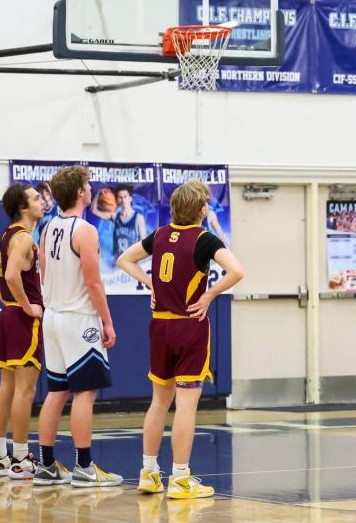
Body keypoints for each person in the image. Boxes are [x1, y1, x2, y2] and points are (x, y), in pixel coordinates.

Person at [117, 179, 244, 499]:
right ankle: (181, 478)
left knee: (159, 401)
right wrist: (212, 293)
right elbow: (237, 271)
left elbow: (124, 260)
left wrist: (150, 283)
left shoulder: (159, 235)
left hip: (160, 327)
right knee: (186, 405)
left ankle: (148, 473)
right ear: (202, 210)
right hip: (190, 326)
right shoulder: (204, 239)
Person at [34, 165, 122, 487]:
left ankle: (45, 465)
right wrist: (108, 321)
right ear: (80, 191)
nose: (91, 188)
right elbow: (94, 283)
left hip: (53, 316)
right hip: (78, 317)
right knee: (85, 392)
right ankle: (84, 467)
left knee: (56, 392)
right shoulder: (85, 230)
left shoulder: (47, 228)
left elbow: (43, 272)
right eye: (87, 184)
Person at [0, 184, 46, 479]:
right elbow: (10, 276)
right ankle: (21, 458)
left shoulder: (5, 235)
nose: (42, 201)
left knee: (6, 388)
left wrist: (10, 304)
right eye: (36, 198)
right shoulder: (23, 238)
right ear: (23, 207)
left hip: (8, 316)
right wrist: (26, 306)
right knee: (26, 390)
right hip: (23, 319)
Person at [92, 184, 146, 264]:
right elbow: (94, 210)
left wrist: (140, 262)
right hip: (118, 261)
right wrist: (98, 193)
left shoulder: (138, 218)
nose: (123, 200)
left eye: (125, 197)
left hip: (133, 261)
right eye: (120, 197)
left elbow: (144, 243)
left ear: (130, 198)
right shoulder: (115, 216)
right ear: (117, 200)